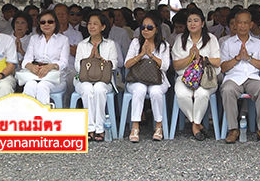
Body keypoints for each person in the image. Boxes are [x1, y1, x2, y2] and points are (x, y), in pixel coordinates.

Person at [220, 9, 260, 144]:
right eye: (239, 23)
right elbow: (223, 67)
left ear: (251, 25)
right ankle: (233, 129)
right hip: (233, 77)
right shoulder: (227, 43)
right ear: (234, 25)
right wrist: (238, 58)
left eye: (245, 23)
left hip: (252, 77)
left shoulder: (258, 44)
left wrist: (249, 58)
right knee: (227, 90)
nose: (242, 26)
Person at [172, 8, 221, 141]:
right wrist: (190, 57)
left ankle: (195, 124)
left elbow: (217, 62)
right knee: (182, 94)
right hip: (185, 78)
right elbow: (176, 65)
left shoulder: (211, 39)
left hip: (206, 78)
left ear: (203, 23)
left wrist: (202, 58)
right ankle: (197, 124)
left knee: (202, 94)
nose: (192, 23)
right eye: (189, 21)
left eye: (196, 20)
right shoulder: (180, 39)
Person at [124, 11, 170, 142]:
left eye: (149, 27)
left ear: (156, 30)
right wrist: (140, 55)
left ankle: (158, 126)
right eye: (143, 27)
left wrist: (151, 55)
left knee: (155, 92)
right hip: (137, 78)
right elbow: (127, 64)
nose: (145, 30)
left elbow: (165, 66)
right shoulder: (135, 43)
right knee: (140, 90)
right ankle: (135, 126)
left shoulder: (163, 45)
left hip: (158, 79)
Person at [74, 12, 118, 142]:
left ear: (103, 27)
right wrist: (89, 59)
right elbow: (77, 66)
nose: (91, 27)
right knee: (87, 89)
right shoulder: (82, 44)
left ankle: (100, 128)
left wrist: (100, 59)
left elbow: (114, 64)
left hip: (104, 80)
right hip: (84, 80)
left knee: (99, 88)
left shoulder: (110, 44)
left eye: (95, 24)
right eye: (89, 24)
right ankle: (90, 128)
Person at [22, 10, 70, 104]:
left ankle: (42, 116)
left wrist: (50, 66)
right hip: (35, 75)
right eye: (43, 22)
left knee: (42, 86)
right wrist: (30, 66)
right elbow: (26, 59)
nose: (46, 24)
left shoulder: (63, 39)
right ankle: (28, 116)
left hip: (55, 77)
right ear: (39, 24)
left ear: (55, 23)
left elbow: (64, 62)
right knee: (29, 85)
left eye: (50, 22)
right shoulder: (34, 39)